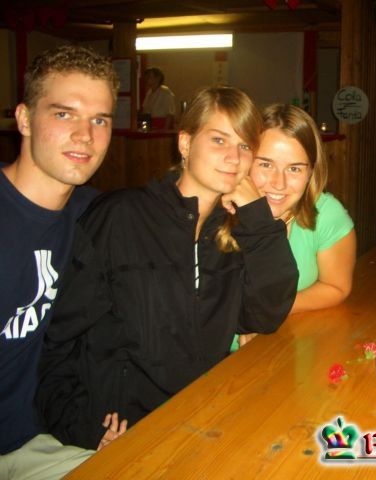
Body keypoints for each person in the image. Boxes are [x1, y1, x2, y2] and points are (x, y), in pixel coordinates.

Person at [36, 86, 299, 450]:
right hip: (123, 431)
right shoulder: (122, 216)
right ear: (186, 143)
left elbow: (264, 316)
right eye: (219, 140)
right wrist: (81, 424)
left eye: (244, 146)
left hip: (200, 422)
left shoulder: (233, 231)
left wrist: (258, 217)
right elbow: (60, 335)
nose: (234, 157)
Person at [0, 45, 119, 479]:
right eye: (65, 114)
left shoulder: (96, 217)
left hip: (44, 436)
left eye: (100, 120)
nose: (85, 135)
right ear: (24, 119)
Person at [232, 104, 356, 348]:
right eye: (265, 164)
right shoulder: (217, 210)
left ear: (311, 172)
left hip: (287, 349)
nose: (279, 183)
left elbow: (336, 287)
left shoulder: (326, 213)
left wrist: (268, 313)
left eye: (294, 168)